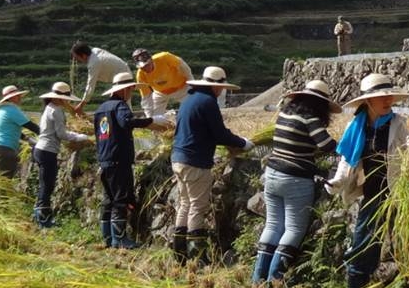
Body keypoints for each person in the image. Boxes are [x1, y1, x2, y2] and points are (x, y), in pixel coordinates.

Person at [327, 73, 409, 288]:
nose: (387, 100)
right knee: (363, 246)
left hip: (401, 194)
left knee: (408, 245)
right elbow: (347, 158)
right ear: (367, 101)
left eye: (389, 96)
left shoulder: (401, 124)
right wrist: (338, 181)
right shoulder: (356, 126)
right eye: (382, 97)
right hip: (373, 195)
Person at [252, 80, 341, 285]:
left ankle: (257, 279)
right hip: (295, 179)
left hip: (272, 174)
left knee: (273, 225)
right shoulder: (310, 119)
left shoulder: (284, 114)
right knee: (294, 229)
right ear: (321, 104)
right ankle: (275, 279)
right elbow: (327, 146)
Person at [170, 66, 252, 264]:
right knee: (197, 206)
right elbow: (219, 134)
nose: (221, 90)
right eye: (221, 87)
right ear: (216, 87)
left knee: (184, 204)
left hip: (178, 158)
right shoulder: (208, 102)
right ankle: (197, 256)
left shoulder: (189, 99)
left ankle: (178, 253)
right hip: (195, 162)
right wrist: (243, 143)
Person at [91, 72, 173, 249]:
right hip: (119, 158)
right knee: (121, 198)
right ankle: (119, 238)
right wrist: (152, 120)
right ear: (125, 89)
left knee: (108, 199)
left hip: (104, 158)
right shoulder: (120, 105)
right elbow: (127, 122)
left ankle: (107, 237)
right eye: (130, 89)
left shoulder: (100, 109)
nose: (131, 92)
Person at [34, 81, 93, 228]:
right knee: (47, 185)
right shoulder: (56, 110)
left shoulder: (49, 108)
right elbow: (61, 134)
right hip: (47, 151)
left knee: (44, 184)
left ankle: (40, 215)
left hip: (40, 149)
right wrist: (81, 137)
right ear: (59, 98)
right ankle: (43, 219)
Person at [0, 85, 41, 179]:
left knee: (6, 176)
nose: (20, 97)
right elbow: (30, 126)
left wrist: (27, 138)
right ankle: (3, 193)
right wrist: (47, 134)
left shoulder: (5, 110)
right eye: (18, 96)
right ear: (12, 97)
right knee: (7, 179)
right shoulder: (11, 110)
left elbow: (11, 129)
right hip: (4, 148)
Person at [132, 48, 194, 120]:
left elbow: (184, 68)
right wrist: (149, 118)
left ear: (151, 60)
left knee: (193, 107)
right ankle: (161, 127)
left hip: (181, 87)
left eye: (147, 65)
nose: (146, 68)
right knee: (154, 117)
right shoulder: (140, 75)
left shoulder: (165, 57)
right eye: (142, 67)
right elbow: (146, 96)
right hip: (160, 92)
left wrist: (191, 84)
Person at [71, 41, 130, 115]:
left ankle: (127, 122)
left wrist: (81, 105)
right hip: (120, 75)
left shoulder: (94, 63)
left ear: (83, 55)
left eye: (77, 58)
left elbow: (90, 86)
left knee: (122, 103)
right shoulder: (94, 51)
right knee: (117, 103)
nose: (77, 60)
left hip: (123, 77)